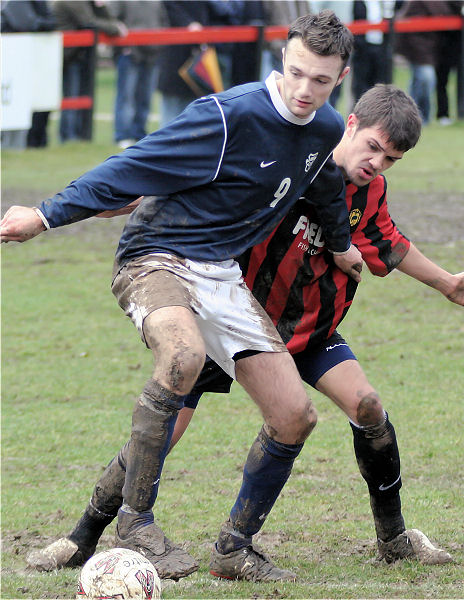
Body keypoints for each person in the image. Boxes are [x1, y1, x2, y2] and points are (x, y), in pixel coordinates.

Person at [25, 84, 464, 579]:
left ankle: (390, 539)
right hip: (235, 321)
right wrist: (133, 197)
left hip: (308, 332)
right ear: (350, 124)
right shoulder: (291, 161)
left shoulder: (368, 194)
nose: (377, 163)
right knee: (160, 435)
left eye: (390, 158)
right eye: (373, 147)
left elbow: (390, 243)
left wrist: (448, 284)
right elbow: (208, 182)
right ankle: (81, 536)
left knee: (367, 405)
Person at [1, 11, 361, 582]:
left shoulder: (323, 130)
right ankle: (136, 521)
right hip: (157, 255)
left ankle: (234, 549)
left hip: (221, 275)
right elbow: (131, 165)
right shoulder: (227, 116)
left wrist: (340, 244)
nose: (302, 90)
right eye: (295, 72)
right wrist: (44, 216)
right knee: (182, 357)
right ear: (281, 60)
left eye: (319, 80)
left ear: (339, 77)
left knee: (295, 416)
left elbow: (324, 185)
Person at [53, 1, 127, 142]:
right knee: (71, 97)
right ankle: (68, 138)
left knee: (78, 96)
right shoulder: (72, 3)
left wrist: (101, 6)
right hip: (69, 56)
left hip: (79, 55)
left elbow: (103, 19)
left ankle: (78, 137)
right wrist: (115, 28)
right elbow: (89, 22)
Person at [0, 0, 57, 149]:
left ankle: (35, 142)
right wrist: (44, 24)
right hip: (13, 59)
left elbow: (51, 21)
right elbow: (28, 24)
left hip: (32, 59)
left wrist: (44, 24)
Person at [110, 1, 166, 149]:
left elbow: (163, 20)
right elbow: (112, 19)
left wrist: (160, 42)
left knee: (146, 97)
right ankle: (122, 135)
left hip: (152, 52)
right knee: (126, 96)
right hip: (130, 52)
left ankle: (139, 133)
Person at [395, 0, 443, 125]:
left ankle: (417, 117)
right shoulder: (415, 3)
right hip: (418, 50)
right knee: (425, 79)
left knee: (421, 82)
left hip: (430, 49)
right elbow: (405, 23)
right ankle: (413, 116)